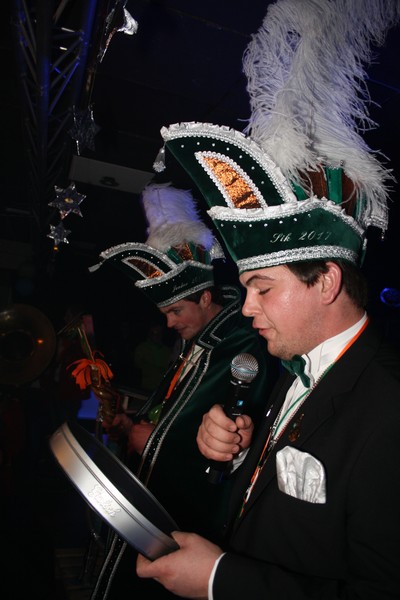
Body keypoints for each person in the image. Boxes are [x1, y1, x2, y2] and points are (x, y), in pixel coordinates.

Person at [134, 1, 400, 597]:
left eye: (263, 288)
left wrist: (220, 579)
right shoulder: (293, 368)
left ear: (325, 282)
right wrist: (240, 451)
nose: (247, 306)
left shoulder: (390, 407)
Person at [88, 182, 279, 599]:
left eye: (176, 311)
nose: (170, 323)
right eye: (165, 314)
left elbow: (235, 439)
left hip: (192, 517)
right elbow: (173, 409)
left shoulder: (242, 344)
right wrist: (132, 424)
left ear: (206, 297)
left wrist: (153, 440)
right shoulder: (197, 342)